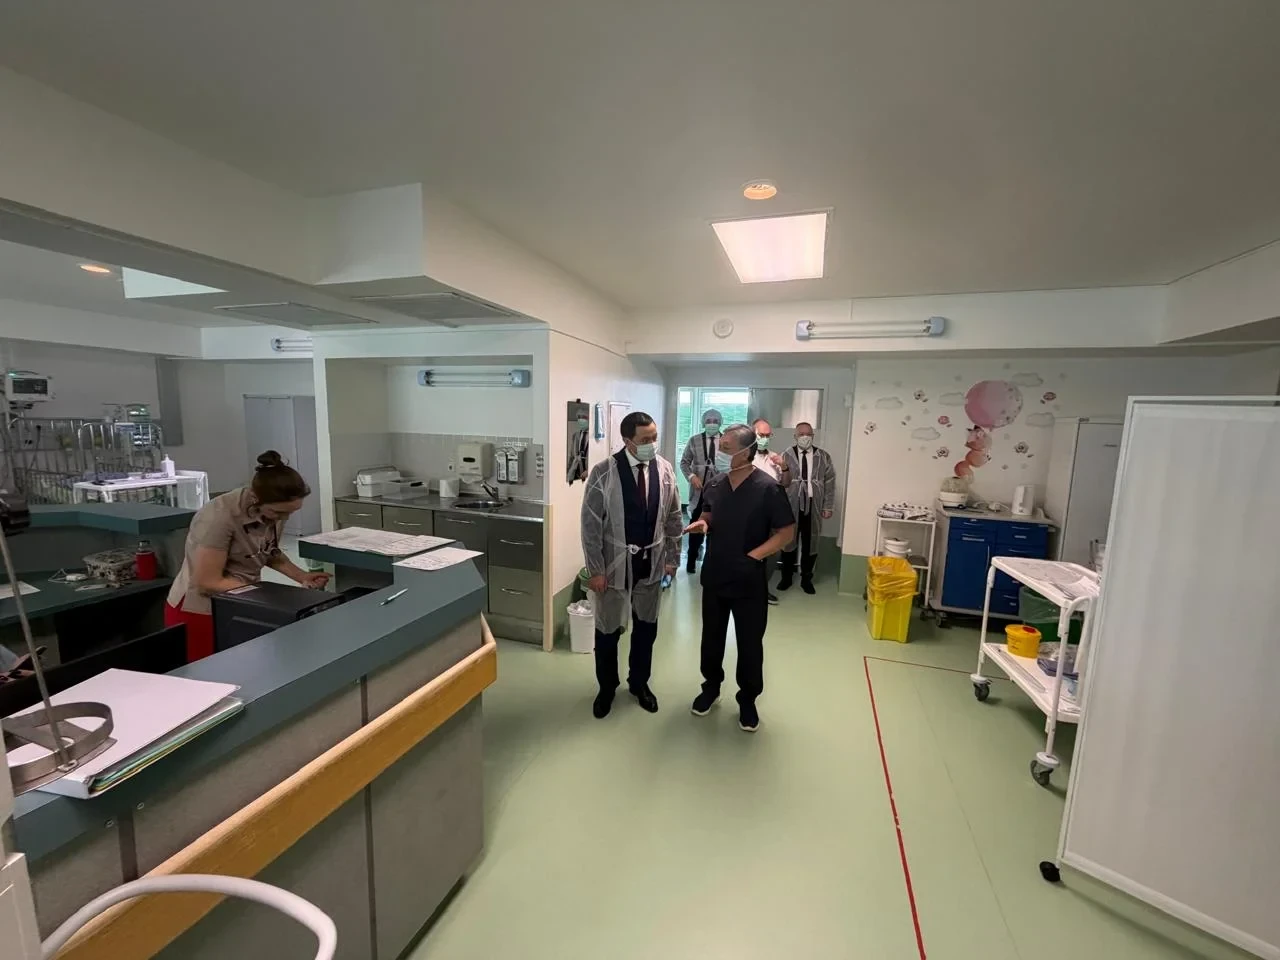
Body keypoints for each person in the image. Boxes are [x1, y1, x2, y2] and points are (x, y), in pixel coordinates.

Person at [164, 451, 329, 663]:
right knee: (209, 675)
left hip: (242, 601)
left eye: (290, 513)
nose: (284, 518)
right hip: (201, 610)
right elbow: (206, 582)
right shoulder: (218, 517)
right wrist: (263, 594)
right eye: (279, 513)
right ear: (256, 499)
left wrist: (301, 576)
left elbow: (267, 552)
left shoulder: (273, 512)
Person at [683, 423, 795, 732]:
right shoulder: (715, 483)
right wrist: (704, 523)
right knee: (712, 638)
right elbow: (708, 512)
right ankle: (710, 688)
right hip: (715, 574)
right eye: (720, 446)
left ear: (746, 453)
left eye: (726, 448)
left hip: (748, 578)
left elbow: (786, 532)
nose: (719, 453)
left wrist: (754, 556)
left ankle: (747, 699)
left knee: (749, 642)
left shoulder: (768, 488)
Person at [580, 411, 684, 719]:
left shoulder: (664, 470)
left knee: (646, 628)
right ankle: (607, 687)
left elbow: (674, 516)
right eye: (645, 439)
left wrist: (672, 558)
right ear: (627, 441)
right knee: (608, 630)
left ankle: (639, 684)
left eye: (654, 437)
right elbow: (590, 525)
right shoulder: (604, 472)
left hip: (651, 561)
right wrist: (596, 570)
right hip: (613, 564)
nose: (652, 444)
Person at [779, 422, 838, 594]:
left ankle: (806, 579)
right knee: (788, 541)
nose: (805, 437)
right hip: (791, 504)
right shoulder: (786, 455)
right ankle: (786, 577)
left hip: (814, 505)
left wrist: (828, 506)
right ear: (795, 436)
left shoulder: (823, 456)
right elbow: (779, 481)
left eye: (808, 434)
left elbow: (830, 482)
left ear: (813, 436)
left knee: (811, 542)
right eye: (801, 434)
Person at [749, 418, 792, 605]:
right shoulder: (745, 457)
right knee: (750, 552)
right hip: (749, 514)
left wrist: (784, 466)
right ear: (752, 434)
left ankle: (762, 589)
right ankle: (747, 590)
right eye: (761, 435)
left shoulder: (775, 458)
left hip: (772, 515)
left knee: (773, 552)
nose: (765, 439)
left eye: (768, 435)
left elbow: (786, 483)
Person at [678, 407, 723, 573]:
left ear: (720, 423)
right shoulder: (694, 440)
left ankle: (711, 563)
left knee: (716, 526)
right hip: (699, 491)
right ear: (703, 423)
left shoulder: (726, 440)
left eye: (715, 421)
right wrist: (691, 477)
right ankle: (691, 559)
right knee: (696, 525)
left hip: (719, 491)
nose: (712, 424)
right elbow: (684, 462)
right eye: (709, 421)